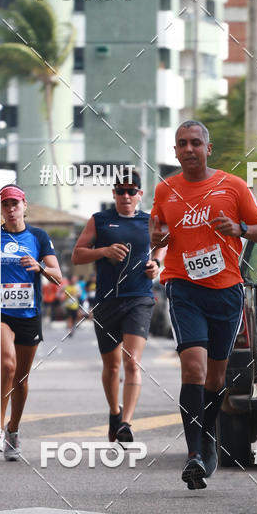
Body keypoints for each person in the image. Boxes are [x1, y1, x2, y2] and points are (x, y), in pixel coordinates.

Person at [150, 120, 257, 490]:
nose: (188, 149)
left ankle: (208, 438)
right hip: (183, 287)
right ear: (174, 151)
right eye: (181, 144)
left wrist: (241, 229)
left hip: (226, 290)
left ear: (208, 148)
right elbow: (157, 233)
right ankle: (194, 454)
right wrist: (156, 238)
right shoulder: (164, 189)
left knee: (215, 377)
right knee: (193, 366)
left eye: (195, 143)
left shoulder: (232, 186)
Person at [72, 167, 164, 443]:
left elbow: (163, 244)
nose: (126, 196)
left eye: (131, 191)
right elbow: (77, 255)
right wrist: (103, 251)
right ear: (114, 193)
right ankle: (115, 412)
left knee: (131, 362)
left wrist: (156, 263)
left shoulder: (149, 221)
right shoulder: (99, 221)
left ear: (139, 194)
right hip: (107, 301)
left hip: (139, 298)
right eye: (121, 191)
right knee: (112, 367)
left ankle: (126, 423)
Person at [0, 184, 62, 460]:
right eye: (5, 205)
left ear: (24, 206)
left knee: (21, 378)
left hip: (28, 314)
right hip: (0, 313)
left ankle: (13, 431)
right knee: (6, 364)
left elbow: (57, 275)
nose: (10, 209)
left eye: (14, 204)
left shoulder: (38, 237)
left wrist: (40, 267)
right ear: (1, 209)